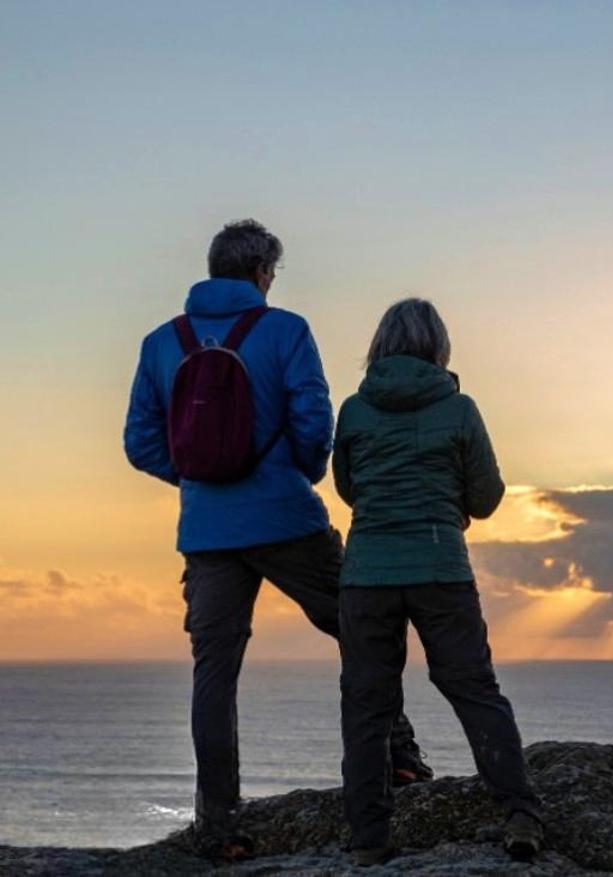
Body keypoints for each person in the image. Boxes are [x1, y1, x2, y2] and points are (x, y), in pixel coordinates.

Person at [123, 220, 429, 862]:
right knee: (360, 627)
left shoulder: (161, 342)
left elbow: (140, 442)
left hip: (206, 531)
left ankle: (218, 825)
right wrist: (296, 474)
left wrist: (198, 480)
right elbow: (313, 420)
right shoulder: (285, 331)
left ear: (213, 269)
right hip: (288, 517)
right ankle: (398, 756)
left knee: (215, 673)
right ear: (263, 273)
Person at [334, 298, 543, 867]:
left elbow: (348, 489)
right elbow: (487, 498)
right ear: (438, 348)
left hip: (367, 574)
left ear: (379, 346)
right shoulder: (460, 409)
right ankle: (520, 813)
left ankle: (369, 838)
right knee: (474, 689)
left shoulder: (354, 411)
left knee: (366, 703)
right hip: (440, 568)